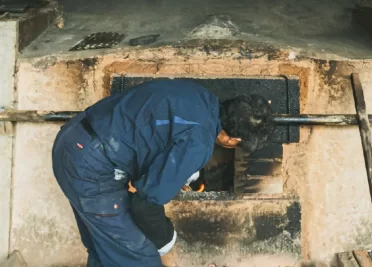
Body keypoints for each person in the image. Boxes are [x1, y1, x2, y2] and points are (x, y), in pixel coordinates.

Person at [51, 79, 273, 266]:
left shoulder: (199, 95)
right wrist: (167, 246)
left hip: (76, 138)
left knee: (107, 253)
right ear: (233, 140)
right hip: (90, 165)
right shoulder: (199, 143)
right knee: (141, 258)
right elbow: (144, 206)